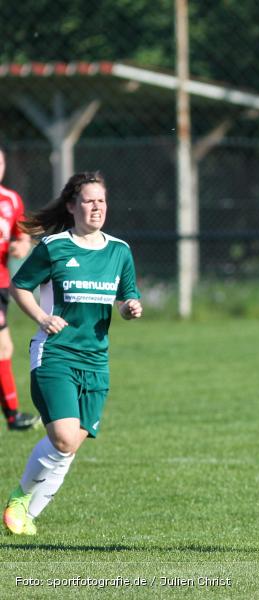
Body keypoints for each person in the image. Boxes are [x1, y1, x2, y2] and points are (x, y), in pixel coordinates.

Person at [3, 171, 142, 535]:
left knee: (69, 446)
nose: (97, 207)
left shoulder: (119, 250)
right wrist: (42, 317)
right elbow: (20, 286)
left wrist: (129, 309)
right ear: (71, 205)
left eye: (102, 201)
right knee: (63, 439)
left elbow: (127, 298)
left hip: (96, 361)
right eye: (89, 201)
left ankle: (28, 516)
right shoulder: (54, 246)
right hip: (56, 355)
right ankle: (20, 498)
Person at [0, 147, 41, 431]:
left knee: (4, 348)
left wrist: (21, 245)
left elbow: (23, 235)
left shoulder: (11, 200)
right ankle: (13, 416)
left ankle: (13, 416)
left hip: (1, 283)